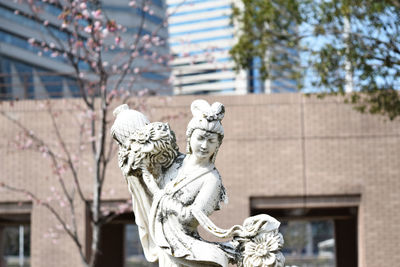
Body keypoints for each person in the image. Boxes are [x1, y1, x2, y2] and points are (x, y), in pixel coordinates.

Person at [148, 99, 229, 267]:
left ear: (218, 145)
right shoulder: (173, 160)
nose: (204, 145)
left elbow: (191, 218)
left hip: (183, 245)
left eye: (211, 141)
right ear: (189, 136)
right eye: (200, 138)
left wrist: (165, 199)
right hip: (162, 238)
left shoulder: (212, 179)